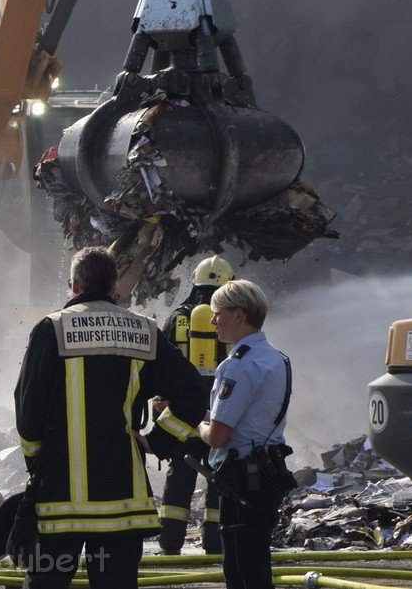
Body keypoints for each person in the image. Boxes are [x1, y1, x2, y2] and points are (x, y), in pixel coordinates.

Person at [15, 246, 208, 589]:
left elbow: (28, 408)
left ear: (73, 286)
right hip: (124, 501)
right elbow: (193, 393)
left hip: (61, 500)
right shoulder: (144, 331)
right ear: (114, 288)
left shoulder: (51, 329)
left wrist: (35, 462)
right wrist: (157, 441)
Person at [198, 279, 296, 589]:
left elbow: (217, 437)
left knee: (240, 569)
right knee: (256, 563)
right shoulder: (277, 359)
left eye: (218, 313)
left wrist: (197, 424)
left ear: (238, 314)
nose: (213, 320)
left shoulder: (237, 366)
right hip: (268, 473)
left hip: (243, 477)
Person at [154, 254, 235, 554]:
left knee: (179, 480)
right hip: (221, 415)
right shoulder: (230, 317)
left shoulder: (177, 318)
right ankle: (215, 546)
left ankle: (170, 545)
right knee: (219, 482)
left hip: (182, 416)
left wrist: (157, 411)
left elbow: (158, 365)